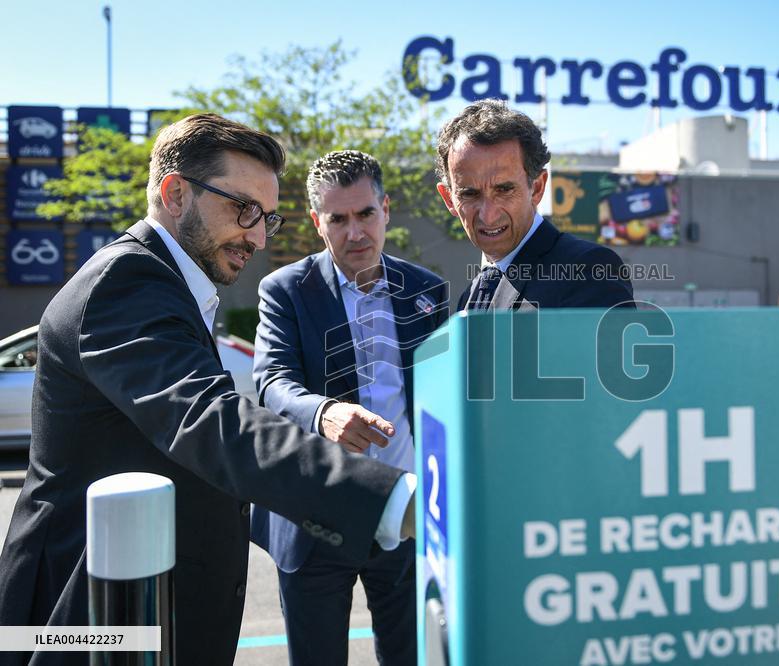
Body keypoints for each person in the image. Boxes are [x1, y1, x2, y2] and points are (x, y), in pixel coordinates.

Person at [0, 115, 415, 666]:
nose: (258, 237)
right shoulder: (126, 283)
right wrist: (391, 497)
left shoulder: (165, 283)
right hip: (92, 617)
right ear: (176, 193)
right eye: (243, 209)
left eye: (267, 217)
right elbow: (209, 419)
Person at [251, 150, 447, 666]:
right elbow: (272, 380)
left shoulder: (427, 291)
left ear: (386, 210)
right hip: (317, 513)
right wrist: (323, 413)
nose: (355, 232)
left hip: (405, 511)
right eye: (338, 219)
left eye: (365, 214)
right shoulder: (285, 290)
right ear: (318, 222)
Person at [435, 99, 633, 310]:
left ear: (537, 188)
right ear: (449, 199)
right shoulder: (470, 297)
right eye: (470, 194)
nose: (488, 215)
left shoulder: (587, 271)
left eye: (504, 190)